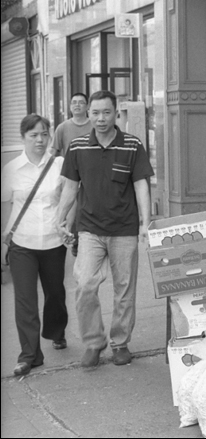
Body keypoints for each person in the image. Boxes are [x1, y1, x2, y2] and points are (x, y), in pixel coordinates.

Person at [55, 90, 153, 368]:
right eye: (94, 113)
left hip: (124, 229)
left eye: (105, 112)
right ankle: (94, 343)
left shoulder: (132, 145)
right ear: (88, 113)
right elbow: (70, 187)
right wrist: (60, 219)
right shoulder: (77, 147)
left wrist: (145, 223)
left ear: (115, 113)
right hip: (89, 230)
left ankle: (120, 343)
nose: (99, 118)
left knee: (125, 289)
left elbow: (141, 185)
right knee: (85, 284)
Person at [1, 115, 72, 376]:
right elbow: (6, 207)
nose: (40, 140)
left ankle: (57, 330)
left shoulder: (59, 165)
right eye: (34, 135)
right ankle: (29, 355)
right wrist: (4, 242)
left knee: (55, 294)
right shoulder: (11, 170)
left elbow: (71, 198)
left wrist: (68, 226)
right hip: (22, 245)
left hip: (53, 243)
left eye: (44, 134)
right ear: (23, 138)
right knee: (25, 300)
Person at [52, 92, 93, 257]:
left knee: (87, 210)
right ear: (69, 106)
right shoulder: (62, 128)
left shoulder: (94, 125)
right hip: (70, 176)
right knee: (71, 211)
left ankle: (87, 241)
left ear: (87, 106)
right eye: (74, 102)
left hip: (91, 176)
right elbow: (53, 153)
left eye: (81, 102)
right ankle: (74, 240)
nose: (77, 105)